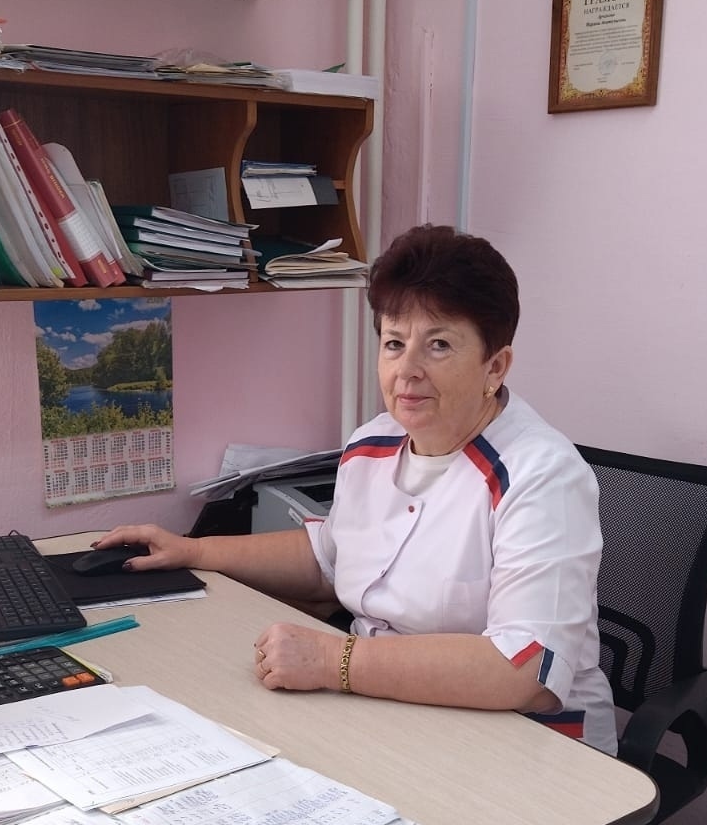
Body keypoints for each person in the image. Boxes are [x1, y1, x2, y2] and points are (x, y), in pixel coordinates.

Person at [93, 224, 616, 752]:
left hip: (530, 745)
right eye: (394, 343)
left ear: (494, 366)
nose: (407, 370)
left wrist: (331, 660)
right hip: (393, 715)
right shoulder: (374, 444)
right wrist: (194, 551)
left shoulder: (542, 476)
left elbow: (521, 670)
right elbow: (330, 557)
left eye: (438, 345)